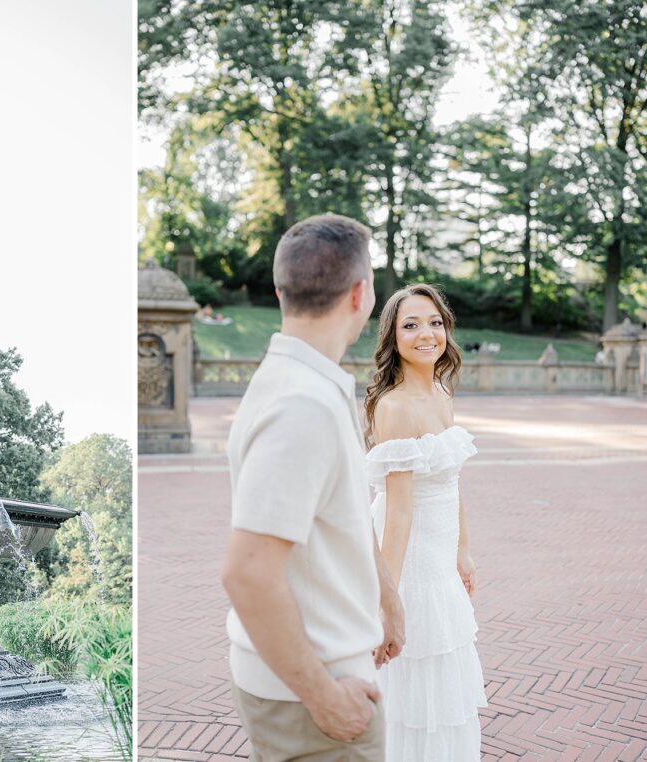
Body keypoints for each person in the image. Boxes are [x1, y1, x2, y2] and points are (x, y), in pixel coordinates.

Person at [221, 214, 405, 761]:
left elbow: (338, 510)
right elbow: (247, 573)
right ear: (361, 294)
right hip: (315, 700)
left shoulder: (307, 382)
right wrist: (325, 699)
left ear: (280, 291)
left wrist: (385, 594)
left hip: (310, 679)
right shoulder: (302, 405)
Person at [362, 283, 488, 760]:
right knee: (411, 666)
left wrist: (463, 549)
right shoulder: (394, 406)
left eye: (434, 322)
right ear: (392, 338)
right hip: (408, 556)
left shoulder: (441, 389)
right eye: (410, 325)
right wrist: (386, 595)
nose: (426, 334)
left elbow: (451, 479)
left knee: (445, 669)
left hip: (439, 551)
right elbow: (398, 512)